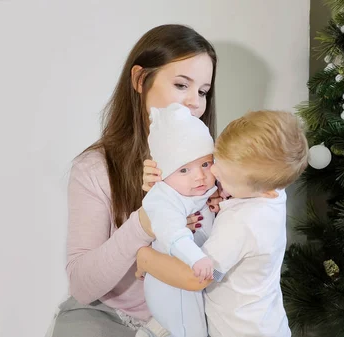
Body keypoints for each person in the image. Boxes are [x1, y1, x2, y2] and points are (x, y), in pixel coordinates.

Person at [48, 24, 221, 337]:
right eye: (182, 85)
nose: (194, 101)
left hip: (189, 316)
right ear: (141, 80)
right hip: (111, 318)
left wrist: (233, 205)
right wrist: (144, 223)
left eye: (203, 91)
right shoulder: (96, 168)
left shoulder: (215, 170)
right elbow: (82, 285)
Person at [136, 110, 310, 337]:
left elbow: (196, 278)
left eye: (225, 178)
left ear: (264, 191)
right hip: (269, 323)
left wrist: (145, 259)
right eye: (215, 161)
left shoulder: (241, 224)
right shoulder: (274, 186)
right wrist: (228, 193)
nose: (214, 173)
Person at [136, 103, 217, 337]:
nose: (199, 176)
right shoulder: (162, 198)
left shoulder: (208, 190)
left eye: (205, 164)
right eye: (184, 170)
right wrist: (196, 258)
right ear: (163, 173)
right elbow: (172, 233)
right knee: (191, 329)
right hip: (170, 283)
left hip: (192, 275)